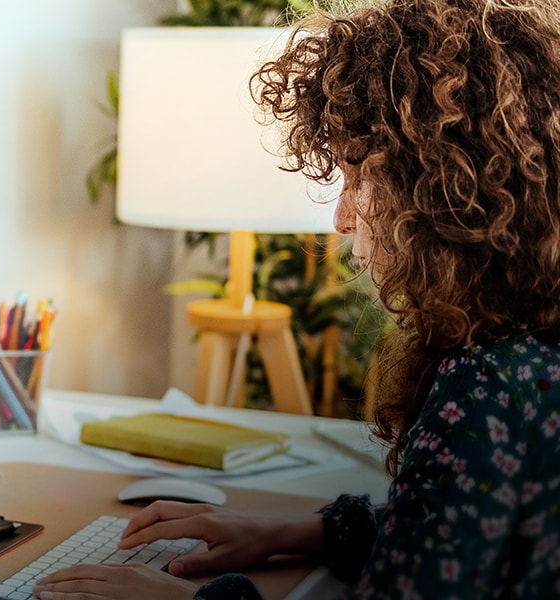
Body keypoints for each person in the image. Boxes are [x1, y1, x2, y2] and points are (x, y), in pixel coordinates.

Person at [33, 0, 560, 598]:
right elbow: (454, 534)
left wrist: (184, 598)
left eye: (359, 177)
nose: (340, 217)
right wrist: (292, 531)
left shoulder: (486, 385)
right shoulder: (530, 355)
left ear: (442, 194)